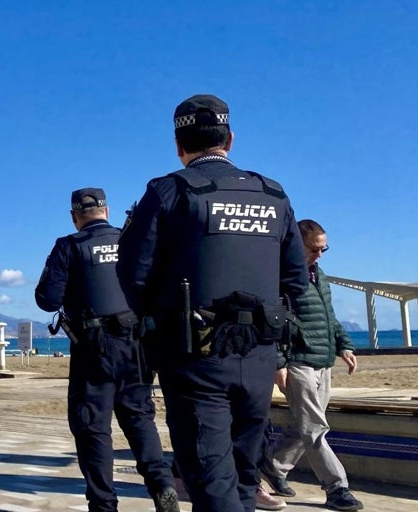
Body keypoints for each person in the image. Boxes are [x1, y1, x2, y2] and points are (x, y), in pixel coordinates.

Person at [118, 94, 308, 511]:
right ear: (230, 139)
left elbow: (133, 273)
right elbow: (297, 279)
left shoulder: (169, 191)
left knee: (209, 477)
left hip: (194, 355)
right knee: (243, 475)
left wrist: (161, 322)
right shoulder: (273, 195)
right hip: (258, 353)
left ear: (178, 145)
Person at [35, 188, 178, 512]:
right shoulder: (133, 240)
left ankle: (103, 503)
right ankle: (161, 485)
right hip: (136, 345)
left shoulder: (70, 246)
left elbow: (47, 300)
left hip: (93, 348)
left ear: (74, 217)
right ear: (106, 210)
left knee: (92, 427)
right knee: (140, 419)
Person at [262, 219, 364, 511]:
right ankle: (337, 487)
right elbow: (273, 322)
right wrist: (279, 362)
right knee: (315, 428)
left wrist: (345, 345)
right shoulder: (279, 275)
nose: (319, 255)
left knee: (299, 428)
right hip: (298, 362)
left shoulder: (321, 275)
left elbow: (329, 316)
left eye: (324, 249)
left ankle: (270, 469)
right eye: (314, 249)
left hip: (323, 361)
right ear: (297, 244)